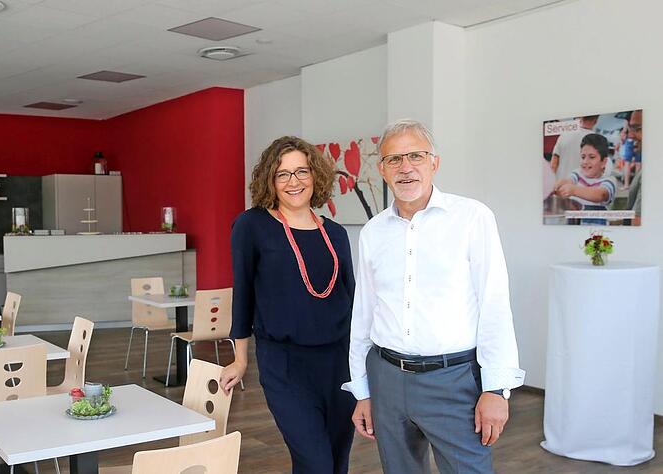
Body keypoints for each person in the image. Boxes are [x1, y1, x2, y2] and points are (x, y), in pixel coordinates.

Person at [344, 120, 525, 474]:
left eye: (416, 155)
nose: (406, 167)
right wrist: (362, 391)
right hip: (387, 379)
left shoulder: (472, 218)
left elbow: (495, 305)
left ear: (434, 163)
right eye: (394, 159)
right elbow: (364, 313)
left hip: (453, 380)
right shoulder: (373, 232)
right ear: (381, 169)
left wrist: (497, 390)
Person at [220, 136, 357, 473]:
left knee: (337, 462)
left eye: (301, 172)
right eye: (283, 174)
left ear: (316, 176)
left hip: (340, 364)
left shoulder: (336, 233)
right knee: (316, 463)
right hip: (284, 363)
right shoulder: (252, 226)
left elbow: (353, 298)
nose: (294, 182)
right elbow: (244, 294)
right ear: (270, 181)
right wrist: (240, 360)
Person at [554, 133, 617, 226]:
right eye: (583, 157)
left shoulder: (609, 181)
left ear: (604, 162)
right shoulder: (577, 174)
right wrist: (556, 186)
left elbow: (600, 195)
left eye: (591, 157)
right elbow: (568, 181)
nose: (585, 162)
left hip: (596, 233)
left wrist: (574, 190)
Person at [551, 114, 598, 180]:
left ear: (580, 118)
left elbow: (554, 163)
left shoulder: (564, 135)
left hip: (560, 184)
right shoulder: (599, 140)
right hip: (582, 187)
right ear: (596, 121)